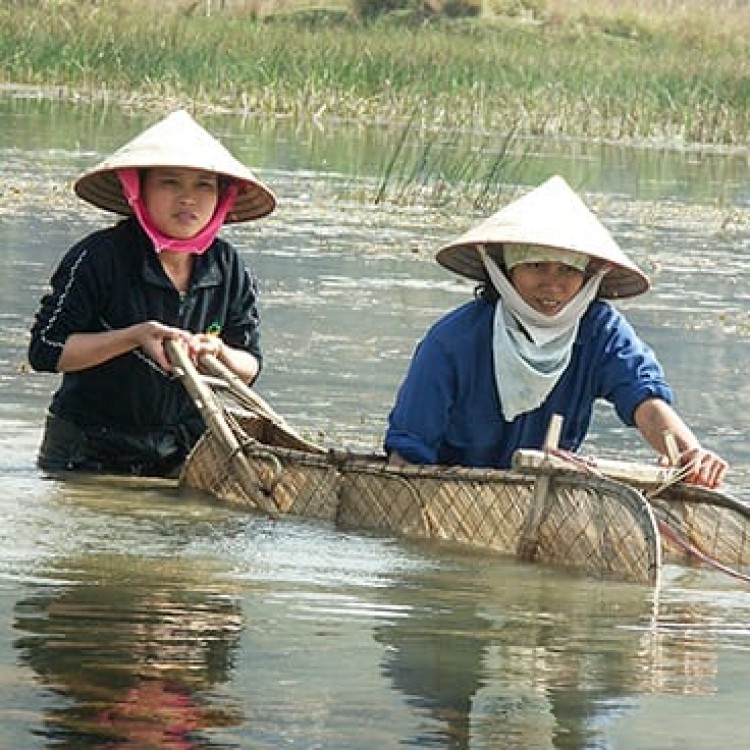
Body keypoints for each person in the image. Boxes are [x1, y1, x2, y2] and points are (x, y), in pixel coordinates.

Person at [384, 175, 727, 489]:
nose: (553, 285)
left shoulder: (599, 332)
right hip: (449, 493)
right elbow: (407, 457)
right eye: (536, 266)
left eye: (567, 270)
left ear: (587, 278)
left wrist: (690, 454)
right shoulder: (451, 343)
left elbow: (644, 399)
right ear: (505, 270)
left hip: (545, 491)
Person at [28, 109, 276, 477]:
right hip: (88, 451)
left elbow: (250, 366)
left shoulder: (228, 266)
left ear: (222, 197)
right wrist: (134, 336)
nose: (188, 199)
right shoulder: (99, 256)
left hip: (186, 453)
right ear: (138, 189)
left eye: (203, 185)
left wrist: (217, 351)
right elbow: (46, 351)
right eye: (170, 183)